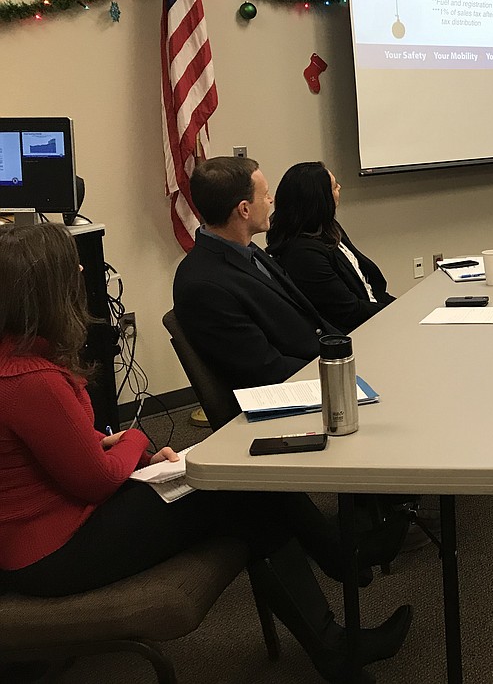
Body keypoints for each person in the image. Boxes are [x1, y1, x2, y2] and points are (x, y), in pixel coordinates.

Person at [0, 223, 411, 683]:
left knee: (243, 490)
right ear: (46, 291)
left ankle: (335, 618)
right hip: (53, 554)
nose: (81, 270)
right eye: (68, 267)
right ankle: (336, 591)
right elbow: (94, 479)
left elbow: (57, 452)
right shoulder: (29, 379)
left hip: (61, 525)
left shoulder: (18, 362)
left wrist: (105, 447)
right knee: (240, 486)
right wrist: (135, 442)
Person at [174, 155, 339, 391]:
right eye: (265, 195)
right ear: (244, 209)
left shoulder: (247, 250)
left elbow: (307, 318)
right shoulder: (203, 285)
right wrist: (338, 372)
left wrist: (347, 350)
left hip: (317, 364)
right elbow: (264, 369)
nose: (271, 201)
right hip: (292, 390)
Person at [267, 162, 394, 335]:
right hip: (355, 332)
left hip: (374, 312)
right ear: (320, 199)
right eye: (334, 187)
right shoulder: (303, 254)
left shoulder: (329, 228)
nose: (340, 188)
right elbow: (348, 311)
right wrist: (398, 311)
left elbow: (367, 283)